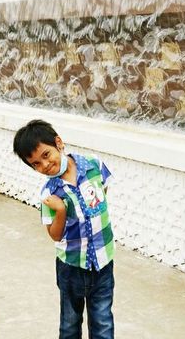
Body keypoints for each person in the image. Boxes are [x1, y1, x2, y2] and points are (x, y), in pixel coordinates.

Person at [13, 119, 115, 339]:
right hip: (71, 267)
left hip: (103, 261)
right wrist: (60, 211)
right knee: (70, 323)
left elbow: (103, 191)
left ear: (58, 143)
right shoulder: (49, 194)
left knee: (103, 322)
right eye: (36, 164)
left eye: (46, 155)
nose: (44, 165)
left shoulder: (93, 164)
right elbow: (55, 235)